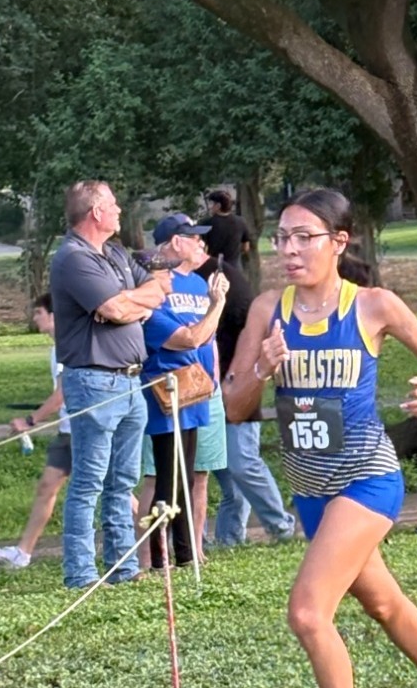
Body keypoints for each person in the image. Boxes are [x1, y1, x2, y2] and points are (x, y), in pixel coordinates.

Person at [221, 188, 417, 688]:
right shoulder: (266, 311)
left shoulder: (374, 306)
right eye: (282, 237)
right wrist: (262, 370)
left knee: (308, 613)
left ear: (338, 242)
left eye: (304, 237)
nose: (290, 249)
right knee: (382, 604)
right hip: (311, 493)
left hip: (367, 480)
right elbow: (234, 408)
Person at [49, 181, 173, 589]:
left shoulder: (116, 253)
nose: (119, 210)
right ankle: (81, 573)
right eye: (114, 204)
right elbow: (115, 308)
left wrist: (125, 303)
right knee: (89, 481)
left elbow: (159, 290)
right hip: (94, 380)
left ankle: (123, 566)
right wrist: (122, 305)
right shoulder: (72, 258)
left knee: (123, 482)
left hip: (132, 380)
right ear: (96, 212)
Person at [136, 214, 228, 569]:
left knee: (187, 477)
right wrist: (217, 304)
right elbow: (189, 337)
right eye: (194, 237)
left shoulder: (196, 284)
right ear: (176, 242)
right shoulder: (153, 300)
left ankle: (187, 553)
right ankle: (158, 560)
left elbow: (206, 337)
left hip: (195, 388)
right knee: (166, 479)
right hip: (167, 389)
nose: (201, 243)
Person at [206, 253, 296, 546]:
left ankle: (280, 526)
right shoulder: (175, 280)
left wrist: (240, 377)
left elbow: (256, 332)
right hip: (201, 391)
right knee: (225, 472)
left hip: (239, 385)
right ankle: (229, 538)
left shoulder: (224, 275)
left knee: (242, 462)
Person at [0, 294, 73, 569]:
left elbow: (62, 393)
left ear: (54, 316)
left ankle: (153, 535)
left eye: (38, 313)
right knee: (47, 487)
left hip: (83, 431)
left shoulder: (68, 346)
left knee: (114, 490)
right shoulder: (56, 349)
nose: (34, 319)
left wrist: (30, 421)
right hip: (68, 431)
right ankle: (22, 553)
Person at [200, 188, 254, 276]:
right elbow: (246, 247)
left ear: (218, 205)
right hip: (235, 268)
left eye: (212, 204)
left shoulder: (207, 223)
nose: (210, 207)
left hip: (215, 267)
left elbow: (203, 248)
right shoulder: (240, 222)